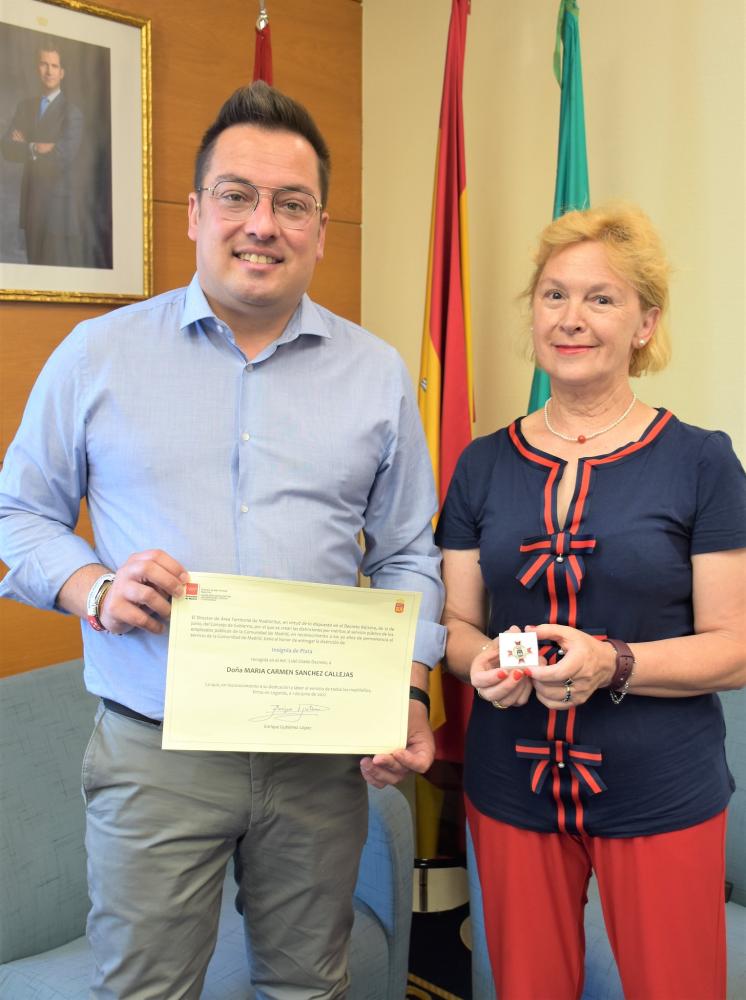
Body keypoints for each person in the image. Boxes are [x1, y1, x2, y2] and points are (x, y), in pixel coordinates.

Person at [0, 81, 445, 999]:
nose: (263, 224)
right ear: (197, 212)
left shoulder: (377, 374)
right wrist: (92, 587)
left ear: (320, 228)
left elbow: (407, 554)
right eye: (238, 195)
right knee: (143, 991)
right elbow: (18, 514)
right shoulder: (97, 355)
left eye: (293, 204)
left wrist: (407, 687)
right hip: (156, 752)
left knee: (308, 988)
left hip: (321, 758)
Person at [436, 204, 746, 1000]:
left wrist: (612, 662)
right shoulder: (479, 465)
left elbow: (735, 647)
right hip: (511, 784)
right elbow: (458, 625)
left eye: (601, 300)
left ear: (645, 322)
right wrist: (481, 667)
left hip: (662, 785)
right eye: (553, 296)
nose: (572, 319)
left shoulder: (702, 463)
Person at [1, 41, 83, 265]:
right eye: (44, 64)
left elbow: (61, 157)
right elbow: (7, 148)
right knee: (34, 275)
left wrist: (26, 145)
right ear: (37, 68)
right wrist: (35, 147)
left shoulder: (71, 114)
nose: (49, 71)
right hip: (31, 208)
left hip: (58, 212)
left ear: (62, 72)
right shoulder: (25, 107)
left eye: (54, 66)